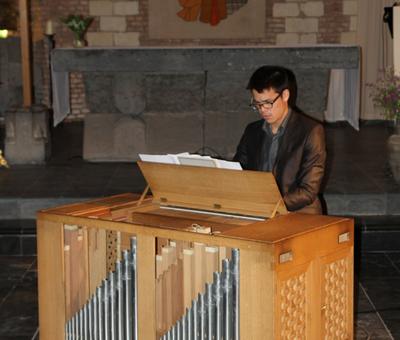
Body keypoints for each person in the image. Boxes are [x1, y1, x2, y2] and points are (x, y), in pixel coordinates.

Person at [233, 65, 326, 214]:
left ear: (285, 95)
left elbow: (308, 190)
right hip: (260, 212)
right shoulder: (252, 131)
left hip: (299, 215)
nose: (263, 110)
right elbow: (238, 171)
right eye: (257, 104)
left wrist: (271, 207)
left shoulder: (311, 131)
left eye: (268, 103)